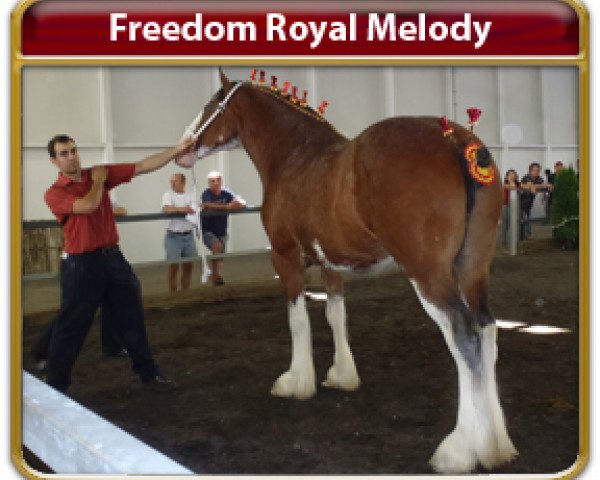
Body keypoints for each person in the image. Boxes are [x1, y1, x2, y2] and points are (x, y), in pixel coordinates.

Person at [41, 133, 194, 393]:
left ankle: (148, 373)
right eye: (64, 154)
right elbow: (89, 205)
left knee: (131, 313)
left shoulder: (96, 174)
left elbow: (143, 166)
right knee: (73, 325)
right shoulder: (55, 193)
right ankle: (56, 384)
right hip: (81, 264)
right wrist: (100, 182)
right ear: (54, 161)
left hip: (113, 258)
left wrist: (176, 149)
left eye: (73, 151)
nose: (71, 157)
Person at [200, 171, 246, 286]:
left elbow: (241, 201)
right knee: (217, 246)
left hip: (221, 229)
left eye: (218, 180)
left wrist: (238, 204)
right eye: (212, 181)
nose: (215, 183)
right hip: (207, 230)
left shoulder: (227, 193)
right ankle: (215, 277)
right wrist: (227, 207)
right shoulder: (207, 193)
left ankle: (216, 276)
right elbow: (207, 204)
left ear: (221, 181)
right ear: (209, 183)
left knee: (220, 255)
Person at [161, 173, 198, 292]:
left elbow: (194, 209)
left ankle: (185, 293)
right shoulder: (168, 195)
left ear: (183, 183)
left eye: (175, 181)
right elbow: (167, 209)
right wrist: (184, 209)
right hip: (173, 236)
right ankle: (173, 294)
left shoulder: (191, 195)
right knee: (173, 267)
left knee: (188, 266)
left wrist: (182, 209)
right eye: (171, 181)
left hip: (188, 235)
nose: (172, 183)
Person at [520, 162, 550, 239]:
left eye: (538, 171)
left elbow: (545, 185)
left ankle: (527, 236)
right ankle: (522, 238)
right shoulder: (526, 177)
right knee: (523, 221)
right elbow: (530, 185)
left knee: (527, 220)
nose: (536, 172)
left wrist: (548, 186)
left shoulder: (539, 179)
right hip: (520, 204)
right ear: (530, 171)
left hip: (529, 204)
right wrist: (538, 186)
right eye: (534, 170)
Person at [500, 169, 520, 251]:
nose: (512, 176)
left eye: (513, 174)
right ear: (507, 176)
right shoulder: (504, 185)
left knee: (513, 226)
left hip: (515, 208)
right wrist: (511, 182)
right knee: (504, 226)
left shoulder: (518, 185)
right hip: (506, 207)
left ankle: (512, 243)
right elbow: (512, 187)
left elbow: (516, 188)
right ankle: (503, 244)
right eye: (510, 174)